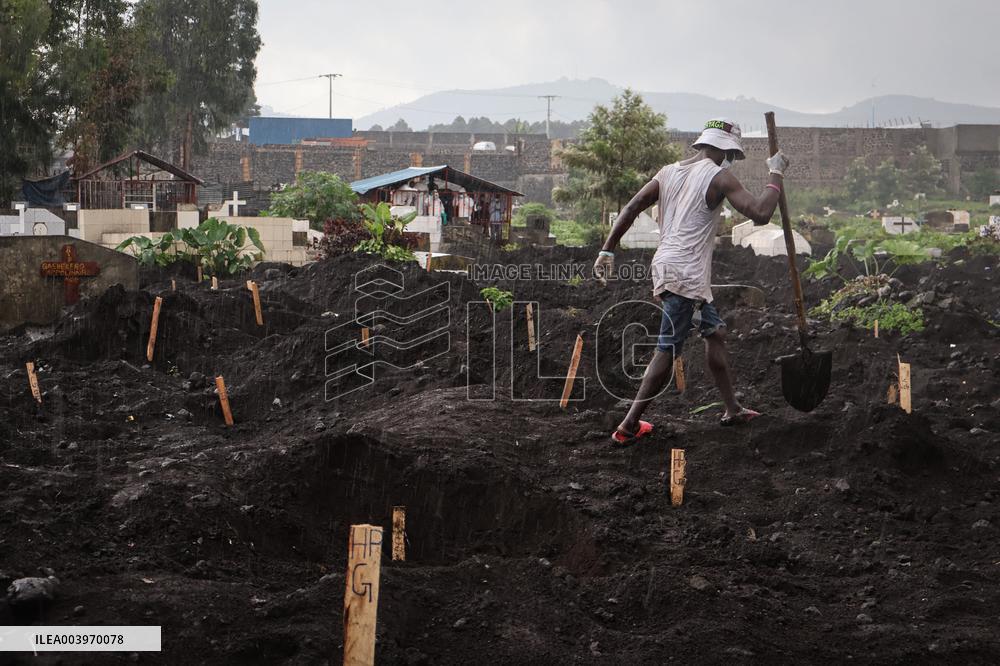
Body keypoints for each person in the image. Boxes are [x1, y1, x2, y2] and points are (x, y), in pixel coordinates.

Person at [593, 118, 790, 445]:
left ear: (702, 144)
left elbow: (631, 206)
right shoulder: (719, 177)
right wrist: (776, 174)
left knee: (715, 333)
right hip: (686, 274)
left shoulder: (667, 172)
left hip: (672, 269)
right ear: (727, 151)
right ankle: (628, 425)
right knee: (667, 350)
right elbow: (760, 213)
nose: (732, 162)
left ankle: (732, 409)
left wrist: (607, 251)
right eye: (733, 156)